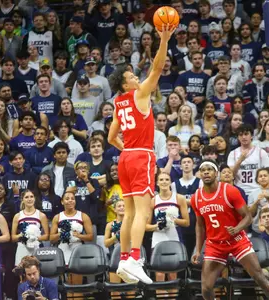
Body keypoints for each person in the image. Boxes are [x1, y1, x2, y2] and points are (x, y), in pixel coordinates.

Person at [107, 25, 176, 284]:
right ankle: (135, 258)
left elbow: (112, 137)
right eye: (132, 76)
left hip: (125, 159)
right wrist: (165, 39)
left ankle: (125, 258)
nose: (137, 78)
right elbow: (157, 68)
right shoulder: (139, 94)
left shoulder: (118, 103)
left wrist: (127, 150)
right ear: (126, 83)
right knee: (143, 213)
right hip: (142, 156)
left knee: (129, 213)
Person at [191, 159, 269, 300]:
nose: (206, 172)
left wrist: (237, 228)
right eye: (203, 170)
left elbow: (248, 217)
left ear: (216, 173)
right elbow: (200, 225)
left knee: (260, 278)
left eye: (209, 169)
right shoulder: (196, 197)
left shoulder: (230, 191)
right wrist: (197, 249)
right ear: (200, 174)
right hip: (215, 244)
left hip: (236, 240)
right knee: (206, 288)